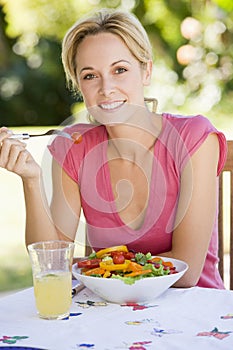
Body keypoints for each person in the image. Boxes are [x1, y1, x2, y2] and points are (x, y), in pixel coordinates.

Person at [0, 8, 227, 289]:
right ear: (78, 84)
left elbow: (188, 270)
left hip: (194, 316)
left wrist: (99, 269)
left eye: (120, 70)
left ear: (146, 71)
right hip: (107, 317)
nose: (106, 88)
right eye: (90, 76)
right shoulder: (73, 148)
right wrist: (31, 179)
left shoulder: (193, 137)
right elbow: (52, 263)